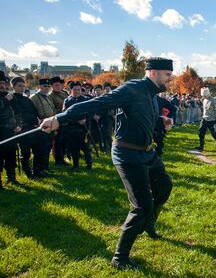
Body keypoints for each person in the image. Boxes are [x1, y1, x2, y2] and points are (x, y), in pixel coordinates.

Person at [40, 57, 174, 269]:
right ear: (154, 73)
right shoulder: (132, 88)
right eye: (168, 74)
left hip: (148, 152)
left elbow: (144, 116)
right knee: (141, 205)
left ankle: (148, 223)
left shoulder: (152, 93)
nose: (171, 78)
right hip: (128, 154)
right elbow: (97, 104)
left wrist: (161, 120)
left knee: (165, 187)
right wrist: (60, 119)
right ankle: (119, 258)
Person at [10, 77, 46, 178]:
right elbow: (14, 114)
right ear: (13, 87)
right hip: (23, 130)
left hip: (34, 128)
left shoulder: (27, 99)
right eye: (19, 86)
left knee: (38, 150)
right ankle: (28, 172)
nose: (22, 88)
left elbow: (35, 112)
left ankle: (37, 170)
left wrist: (38, 121)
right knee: (25, 153)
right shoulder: (12, 99)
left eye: (23, 86)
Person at [63, 82, 93, 171]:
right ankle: (75, 165)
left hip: (84, 129)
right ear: (71, 90)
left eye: (78, 89)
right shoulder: (67, 101)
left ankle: (89, 165)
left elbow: (91, 113)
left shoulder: (86, 100)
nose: (77, 91)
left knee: (86, 148)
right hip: (71, 128)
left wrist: (85, 119)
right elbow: (65, 115)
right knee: (74, 148)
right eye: (75, 90)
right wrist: (76, 120)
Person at [0, 72, 22, 188]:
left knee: (11, 155)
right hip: (0, 131)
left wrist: (19, 125)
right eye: (0, 83)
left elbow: (17, 112)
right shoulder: (5, 98)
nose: (2, 85)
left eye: (3, 83)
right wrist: (5, 101)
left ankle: (11, 177)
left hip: (10, 131)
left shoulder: (8, 96)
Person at [31, 78, 56, 173]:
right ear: (39, 86)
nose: (47, 88)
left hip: (50, 125)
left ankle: (45, 166)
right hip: (41, 127)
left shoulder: (48, 97)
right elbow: (32, 112)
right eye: (44, 86)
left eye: (48, 86)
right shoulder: (34, 97)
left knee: (47, 148)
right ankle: (38, 169)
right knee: (40, 149)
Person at [49, 76, 69, 166]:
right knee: (57, 142)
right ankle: (58, 160)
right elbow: (51, 110)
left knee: (64, 141)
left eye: (60, 85)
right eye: (56, 85)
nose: (58, 86)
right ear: (52, 86)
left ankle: (62, 158)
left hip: (66, 121)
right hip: (57, 120)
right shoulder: (50, 96)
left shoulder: (64, 94)